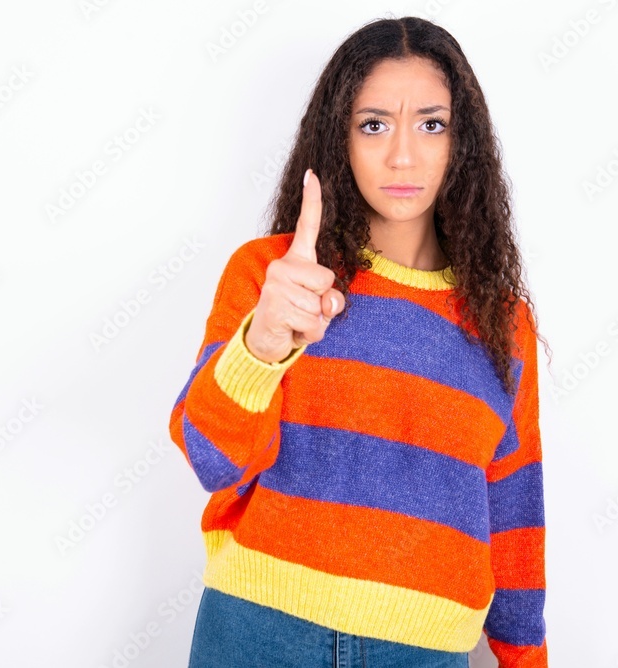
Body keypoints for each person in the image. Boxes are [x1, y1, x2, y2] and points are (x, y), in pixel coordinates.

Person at [168, 15, 552, 668]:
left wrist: (526, 656)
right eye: (374, 125)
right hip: (259, 634)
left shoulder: (503, 323)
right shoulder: (273, 277)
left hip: (423, 652)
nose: (403, 155)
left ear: (463, 142)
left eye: (431, 124)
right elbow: (211, 459)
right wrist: (263, 345)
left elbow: (514, 509)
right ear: (338, 136)